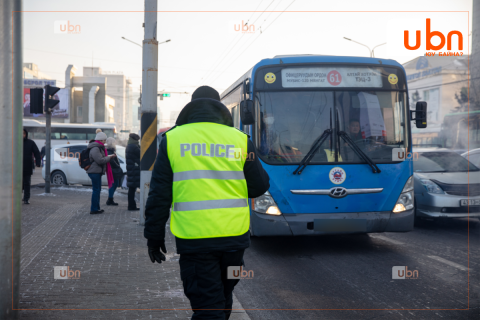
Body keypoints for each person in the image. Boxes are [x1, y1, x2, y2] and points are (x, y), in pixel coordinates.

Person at [144, 86, 270, 320]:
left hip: (195, 241)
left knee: (208, 305)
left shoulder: (173, 139)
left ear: (192, 107)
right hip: (234, 241)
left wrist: (154, 236)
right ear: (219, 108)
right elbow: (259, 187)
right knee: (223, 295)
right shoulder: (239, 140)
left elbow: (160, 193)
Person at [86, 132, 116, 214]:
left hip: (96, 171)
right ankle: (94, 209)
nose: (105, 142)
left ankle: (96, 208)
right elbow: (100, 160)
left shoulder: (99, 147)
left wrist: (109, 157)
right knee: (96, 190)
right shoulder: (95, 148)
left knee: (97, 190)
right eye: (104, 140)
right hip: (94, 172)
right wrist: (109, 158)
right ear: (100, 140)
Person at [23, 129, 41, 204]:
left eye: (23, 133)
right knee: (18, 183)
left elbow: (37, 152)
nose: (22, 135)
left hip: (27, 166)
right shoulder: (14, 142)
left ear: (26, 134)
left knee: (27, 183)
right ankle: (17, 197)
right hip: (16, 167)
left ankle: (26, 198)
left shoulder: (30, 143)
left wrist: (38, 162)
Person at [106, 137, 123, 206]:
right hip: (113, 170)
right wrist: (118, 166)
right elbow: (112, 161)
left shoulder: (111, 150)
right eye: (114, 141)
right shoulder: (109, 150)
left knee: (115, 184)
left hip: (113, 169)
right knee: (113, 184)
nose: (115, 142)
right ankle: (110, 199)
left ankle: (110, 199)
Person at [126, 133, 140, 211]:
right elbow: (141, 154)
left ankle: (131, 205)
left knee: (131, 189)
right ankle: (131, 206)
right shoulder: (134, 147)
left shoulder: (129, 145)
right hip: (135, 170)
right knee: (132, 189)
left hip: (131, 169)